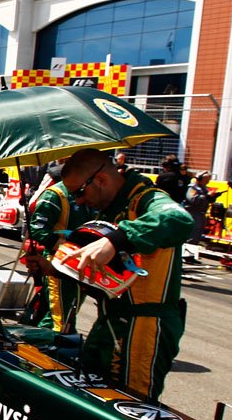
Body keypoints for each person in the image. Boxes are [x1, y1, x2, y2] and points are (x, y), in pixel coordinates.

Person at [58, 149, 192, 400]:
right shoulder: (108, 209)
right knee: (89, 396)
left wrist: (118, 239)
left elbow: (179, 219)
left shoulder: (147, 199)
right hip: (110, 323)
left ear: (100, 180)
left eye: (78, 193)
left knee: (127, 407)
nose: (78, 202)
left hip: (143, 329)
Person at [23, 175, 90, 332]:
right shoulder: (55, 194)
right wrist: (70, 250)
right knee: (59, 319)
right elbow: (38, 229)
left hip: (83, 265)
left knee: (67, 314)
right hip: (59, 264)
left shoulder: (93, 194)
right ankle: (48, 350)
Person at [183, 171, 216, 246]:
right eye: (206, 180)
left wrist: (212, 197)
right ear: (200, 179)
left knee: (198, 235)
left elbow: (207, 200)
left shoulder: (204, 188)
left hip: (201, 214)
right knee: (192, 235)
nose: (208, 182)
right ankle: (187, 253)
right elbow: (192, 199)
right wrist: (207, 196)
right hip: (193, 213)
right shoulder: (193, 187)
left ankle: (192, 253)